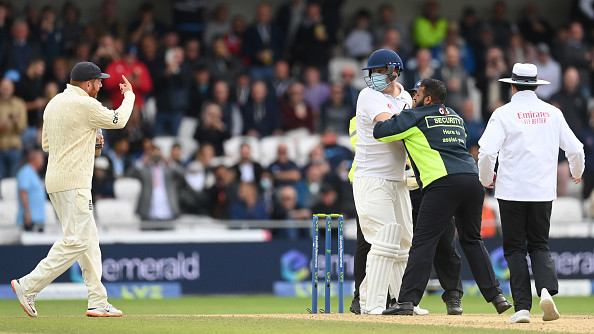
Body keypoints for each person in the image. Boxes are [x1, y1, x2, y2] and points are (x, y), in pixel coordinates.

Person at [374, 78, 511, 316]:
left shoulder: (415, 116)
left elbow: (381, 132)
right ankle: (497, 296)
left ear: (427, 98)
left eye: (417, 95)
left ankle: (406, 302)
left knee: (424, 242)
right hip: (472, 179)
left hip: (443, 182)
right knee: (472, 240)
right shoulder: (456, 117)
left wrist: (397, 114)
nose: (413, 97)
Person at [11, 61, 135, 318]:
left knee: (89, 242)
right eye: (99, 81)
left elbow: (47, 145)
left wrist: (91, 142)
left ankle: (98, 301)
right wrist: (130, 96)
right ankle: (28, 286)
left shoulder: (53, 103)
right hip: (75, 181)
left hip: (56, 181)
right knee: (77, 241)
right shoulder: (86, 104)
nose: (101, 85)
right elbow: (119, 120)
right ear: (87, 83)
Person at [477, 63, 585, 324]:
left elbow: (487, 152)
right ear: (536, 86)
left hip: (511, 190)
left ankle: (522, 308)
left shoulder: (503, 113)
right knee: (539, 244)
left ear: (512, 86)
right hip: (542, 191)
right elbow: (577, 150)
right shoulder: (552, 113)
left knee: (514, 249)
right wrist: (576, 171)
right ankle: (546, 290)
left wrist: (485, 177)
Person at [352, 49, 415, 315]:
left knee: (403, 241)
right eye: (372, 73)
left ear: (395, 72)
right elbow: (389, 129)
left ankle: (403, 301)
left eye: (380, 72)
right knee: (385, 238)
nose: (375, 77)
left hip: (397, 178)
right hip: (371, 177)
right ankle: (372, 304)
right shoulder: (368, 95)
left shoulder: (407, 97)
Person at [16, 149, 46, 232]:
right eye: (41, 158)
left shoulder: (34, 173)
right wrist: (27, 213)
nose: (43, 161)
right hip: (29, 222)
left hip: (38, 221)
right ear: (34, 159)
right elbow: (23, 192)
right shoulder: (25, 172)